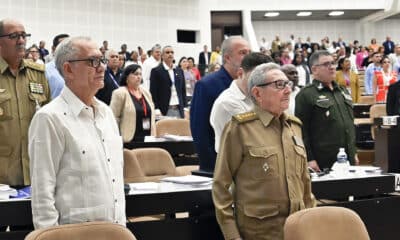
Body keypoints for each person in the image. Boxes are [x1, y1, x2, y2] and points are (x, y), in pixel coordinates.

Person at [28, 36, 126, 229]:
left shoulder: (106, 113)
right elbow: (42, 193)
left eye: (102, 60)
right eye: (93, 61)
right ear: (68, 69)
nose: (102, 67)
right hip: (74, 233)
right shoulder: (49, 118)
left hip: (115, 231)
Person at [213, 64, 315, 240]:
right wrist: (232, 235)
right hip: (259, 232)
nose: (287, 91)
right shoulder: (240, 129)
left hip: (297, 231)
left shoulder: (294, 127)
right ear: (258, 93)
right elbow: (221, 185)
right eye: (278, 85)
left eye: (287, 84)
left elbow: (305, 183)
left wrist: (312, 223)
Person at [0, 18, 50, 186]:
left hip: (35, 171)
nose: (21, 41)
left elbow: (49, 117)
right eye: (14, 36)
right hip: (3, 175)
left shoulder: (37, 74)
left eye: (23, 35)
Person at [190, 36, 250, 173]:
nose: (248, 57)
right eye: (242, 53)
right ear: (227, 58)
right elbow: (200, 131)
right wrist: (213, 166)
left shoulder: (251, 84)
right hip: (218, 164)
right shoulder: (207, 85)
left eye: (249, 53)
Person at [295, 50, 357, 172]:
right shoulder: (306, 95)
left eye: (333, 63)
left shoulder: (342, 91)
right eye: (326, 64)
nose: (332, 67)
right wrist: (309, 159)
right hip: (323, 160)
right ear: (314, 70)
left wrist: (354, 152)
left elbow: (349, 124)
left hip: (347, 158)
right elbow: (301, 131)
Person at [210, 52, 272, 153]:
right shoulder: (227, 103)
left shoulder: (257, 97)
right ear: (240, 74)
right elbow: (258, 140)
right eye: (257, 78)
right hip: (239, 165)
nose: (261, 83)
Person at [110, 64, 156, 144]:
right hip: (129, 139)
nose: (138, 77)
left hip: (148, 138)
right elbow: (113, 118)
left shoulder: (146, 93)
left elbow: (152, 115)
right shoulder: (120, 93)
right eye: (135, 74)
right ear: (127, 77)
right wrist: (116, 139)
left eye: (140, 74)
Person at [150, 45, 186, 118]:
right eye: (167, 52)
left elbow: (183, 90)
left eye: (172, 52)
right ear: (162, 56)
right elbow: (153, 91)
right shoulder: (156, 71)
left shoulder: (179, 71)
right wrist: (156, 108)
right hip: (165, 109)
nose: (170, 54)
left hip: (179, 109)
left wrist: (185, 108)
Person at [45, 33, 70, 99]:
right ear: (53, 49)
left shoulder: (79, 69)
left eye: (70, 45)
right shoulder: (45, 70)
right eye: (63, 46)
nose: (67, 49)